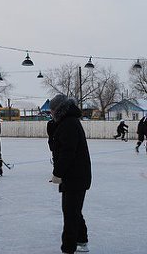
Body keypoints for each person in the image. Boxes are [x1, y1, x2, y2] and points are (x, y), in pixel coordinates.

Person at [48, 94, 92, 254]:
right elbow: (58, 147)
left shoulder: (69, 124)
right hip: (74, 175)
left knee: (70, 212)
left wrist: (57, 173)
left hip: (76, 176)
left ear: (59, 109)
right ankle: (81, 240)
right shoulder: (66, 122)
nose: (50, 113)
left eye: (52, 110)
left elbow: (67, 152)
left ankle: (68, 248)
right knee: (73, 210)